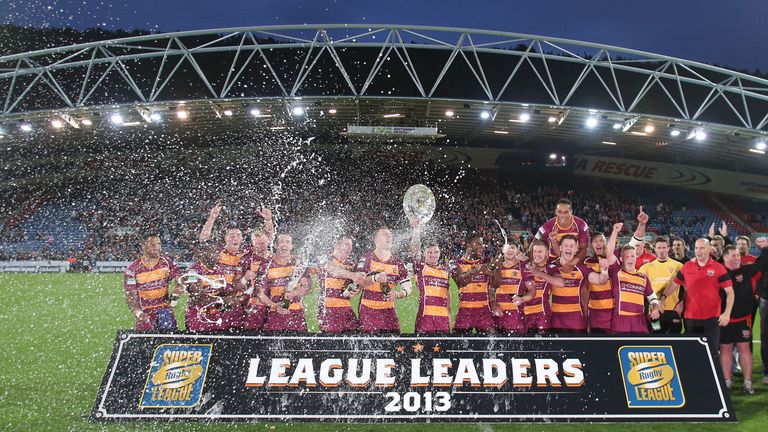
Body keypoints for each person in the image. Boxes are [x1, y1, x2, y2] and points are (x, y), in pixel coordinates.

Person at [659, 238, 735, 354]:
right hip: (691, 317)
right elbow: (674, 283)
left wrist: (727, 313)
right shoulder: (687, 266)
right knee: (692, 351)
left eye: (702, 248)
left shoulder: (718, 268)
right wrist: (663, 297)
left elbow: (730, 292)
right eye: (696, 248)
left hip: (712, 317)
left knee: (712, 351)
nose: (698, 251)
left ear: (709, 249)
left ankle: (709, 372)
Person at [585, 206, 649, 333]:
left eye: (602, 241)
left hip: (615, 315)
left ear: (607, 243)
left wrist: (641, 224)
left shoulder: (618, 255)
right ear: (591, 245)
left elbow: (636, 240)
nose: (599, 244)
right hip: (595, 315)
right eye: (595, 241)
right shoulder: (587, 262)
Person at [720, 240, 768, 393]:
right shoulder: (719, 273)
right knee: (725, 349)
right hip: (725, 319)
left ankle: (748, 383)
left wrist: (765, 248)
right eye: (733, 256)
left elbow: (764, 262)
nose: (737, 258)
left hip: (743, 319)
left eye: (738, 255)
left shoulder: (747, 271)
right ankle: (727, 381)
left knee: (744, 349)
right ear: (725, 258)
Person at [540, 235, 608, 333]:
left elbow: (601, 280)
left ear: (576, 249)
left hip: (576, 318)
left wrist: (604, 270)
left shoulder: (582, 268)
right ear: (560, 248)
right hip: (556, 318)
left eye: (572, 246)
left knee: (577, 348)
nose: (569, 248)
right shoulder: (551, 266)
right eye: (566, 245)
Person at [605, 223, 661, 334]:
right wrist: (615, 232)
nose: (630, 259)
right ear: (621, 258)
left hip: (640, 321)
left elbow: (653, 298)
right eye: (627, 256)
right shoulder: (616, 272)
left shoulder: (643, 277)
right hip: (621, 320)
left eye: (633, 256)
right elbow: (609, 254)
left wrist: (655, 308)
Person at [183, 241, 247, 332]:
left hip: (218, 319)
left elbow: (223, 291)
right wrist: (224, 301)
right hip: (200, 320)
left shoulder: (221, 270)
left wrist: (234, 296)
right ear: (202, 253)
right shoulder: (193, 271)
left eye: (218, 252)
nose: (217, 255)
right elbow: (197, 298)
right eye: (213, 252)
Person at [357, 226, 411, 333]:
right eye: (385, 235)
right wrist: (375, 278)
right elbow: (358, 283)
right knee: (370, 347)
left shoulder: (398, 263)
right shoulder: (367, 258)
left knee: (393, 346)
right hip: (368, 313)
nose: (389, 237)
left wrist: (396, 294)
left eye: (390, 235)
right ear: (376, 240)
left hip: (389, 314)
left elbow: (408, 288)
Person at [123, 233, 181, 331]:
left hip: (165, 312)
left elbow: (179, 279)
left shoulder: (166, 262)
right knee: (146, 344)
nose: (157, 248)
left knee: (169, 343)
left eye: (158, 244)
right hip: (145, 313)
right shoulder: (132, 269)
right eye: (152, 245)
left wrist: (177, 291)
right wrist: (139, 314)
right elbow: (130, 295)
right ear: (143, 246)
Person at [257, 234, 312, 332]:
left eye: (287, 242)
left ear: (292, 246)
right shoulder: (266, 265)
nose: (284, 245)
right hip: (274, 316)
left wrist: (293, 294)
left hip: (296, 316)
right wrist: (275, 305)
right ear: (275, 245)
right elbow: (260, 293)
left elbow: (307, 288)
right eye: (281, 242)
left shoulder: (298, 264)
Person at [410, 218, 452, 333]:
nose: (433, 255)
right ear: (424, 254)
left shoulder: (445, 270)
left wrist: (449, 314)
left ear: (440, 253)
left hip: (443, 319)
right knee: (423, 349)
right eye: (429, 252)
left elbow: (447, 294)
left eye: (436, 252)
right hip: (425, 318)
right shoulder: (421, 267)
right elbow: (414, 251)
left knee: (444, 349)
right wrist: (416, 230)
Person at [317, 236, 366, 333]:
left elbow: (356, 284)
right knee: (332, 342)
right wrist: (352, 275)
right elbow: (332, 269)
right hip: (328, 310)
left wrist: (356, 290)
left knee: (354, 339)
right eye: (347, 244)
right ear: (337, 245)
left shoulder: (351, 264)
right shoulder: (324, 258)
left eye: (351, 245)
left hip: (346, 310)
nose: (350, 248)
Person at [489, 239, 536, 334]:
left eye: (513, 247)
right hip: (499, 318)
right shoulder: (496, 267)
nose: (510, 250)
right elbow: (490, 290)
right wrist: (493, 305)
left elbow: (532, 290)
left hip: (517, 318)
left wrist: (522, 299)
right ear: (502, 250)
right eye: (507, 248)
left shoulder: (523, 267)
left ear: (517, 251)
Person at [639, 236, 684, 333]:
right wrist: (646, 310)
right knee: (656, 341)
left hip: (673, 310)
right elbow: (641, 292)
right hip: (654, 312)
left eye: (664, 247)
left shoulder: (678, 266)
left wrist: (682, 303)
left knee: (675, 341)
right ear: (654, 249)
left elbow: (688, 288)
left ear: (668, 248)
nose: (661, 250)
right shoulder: (646, 268)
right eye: (659, 248)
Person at [451, 236, 495, 333]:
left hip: (484, 312)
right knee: (460, 346)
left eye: (482, 244)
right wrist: (478, 269)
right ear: (469, 246)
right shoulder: (456, 263)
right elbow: (461, 281)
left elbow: (494, 284)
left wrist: (493, 303)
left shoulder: (487, 262)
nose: (482, 247)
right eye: (479, 243)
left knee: (490, 346)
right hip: (464, 312)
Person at [522, 239, 562, 333]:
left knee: (543, 343)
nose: (537, 254)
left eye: (540, 251)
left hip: (542, 313)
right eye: (535, 251)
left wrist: (539, 273)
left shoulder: (550, 267)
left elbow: (560, 283)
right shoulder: (525, 266)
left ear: (547, 253)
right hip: (524, 312)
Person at [534, 198, 590, 263]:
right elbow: (533, 245)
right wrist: (533, 264)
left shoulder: (581, 225)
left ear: (571, 212)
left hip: (573, 259)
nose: (562, 216)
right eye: (559, 212)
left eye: (566, 212)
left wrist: (572, 263)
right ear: (555, 211)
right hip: (552, 260)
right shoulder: (547, 226)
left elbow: (584, 249)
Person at [242, 226, 276, 332]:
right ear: (252, 243)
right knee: (252, 334)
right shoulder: (247, 260)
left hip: (272, 304)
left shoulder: (275, 258)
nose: (261, 247)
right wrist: (244, 278)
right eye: (258, 244)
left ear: (268, 242)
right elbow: (237, 284)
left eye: (263, 243)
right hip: (254, 306)